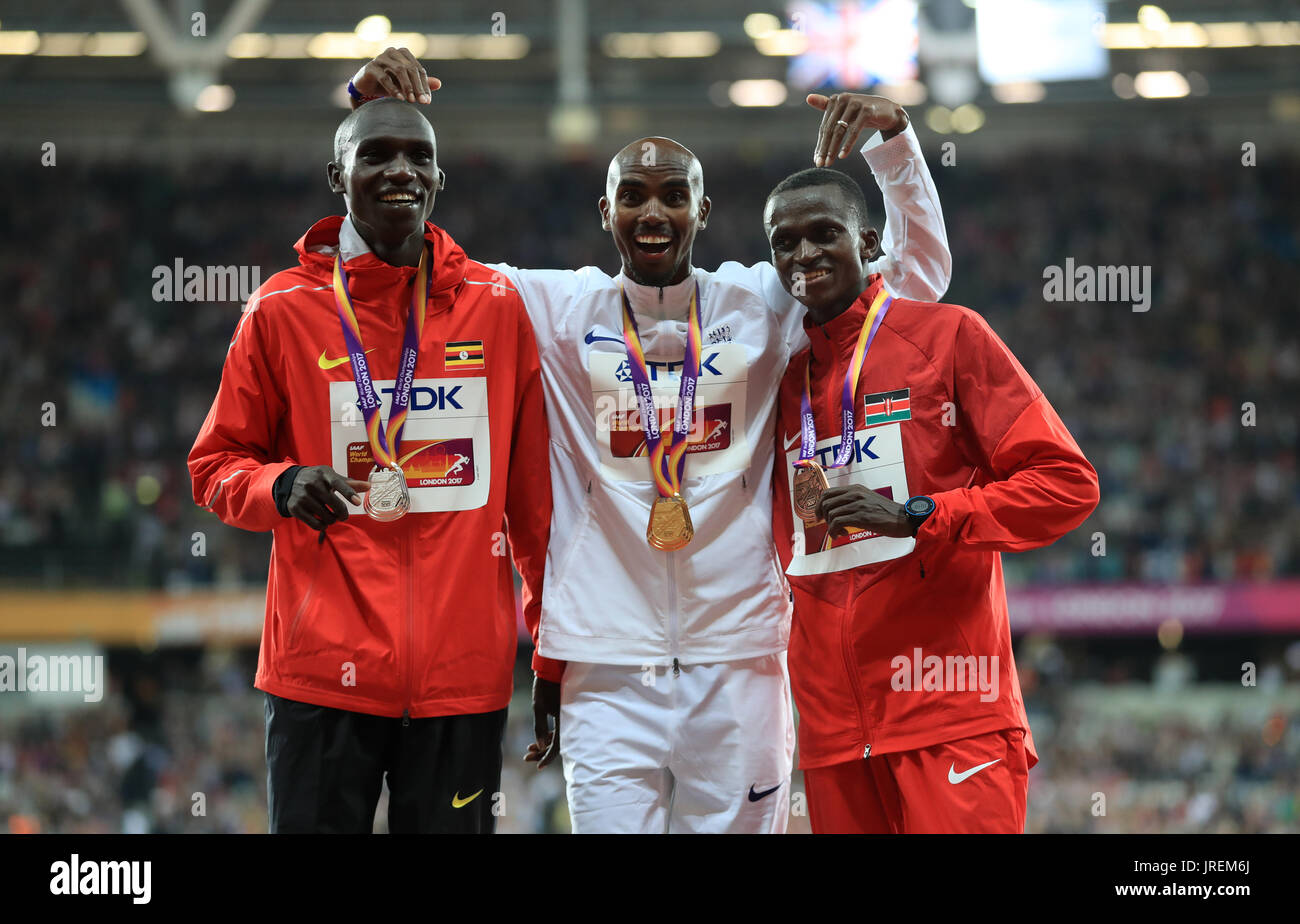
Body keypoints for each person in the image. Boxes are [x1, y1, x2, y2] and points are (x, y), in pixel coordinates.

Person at [351, 48, 951, 833]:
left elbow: (915, 284)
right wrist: (367, 115)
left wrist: (896, 149)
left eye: (675, 195)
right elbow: (408, 271)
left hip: (741, 656)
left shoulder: (764, 301)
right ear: (606, 215)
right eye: (632, 196)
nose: (654, 211)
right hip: (606, 668)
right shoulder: (555, 310)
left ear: (703, 211)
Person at [188, 98, 557, 833]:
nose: (400, 170)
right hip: (321, 675)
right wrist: (282, 484)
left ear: (439, 176)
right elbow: (215, 466)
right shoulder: (279, 310)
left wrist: (551, 646)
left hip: (462, 680)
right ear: (338, 174)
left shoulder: (496, 305)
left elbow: (534, 505)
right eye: (376, 154)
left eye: (418, 156)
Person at [764, 168, 1100, 833]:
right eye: (785, 241)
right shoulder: (776, 382)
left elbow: (1067, 483)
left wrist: (923, 514)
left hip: (951, 712)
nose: (804, 255)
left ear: (867, 243)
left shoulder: (948, 338)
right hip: (833, 731)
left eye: (824, 234)